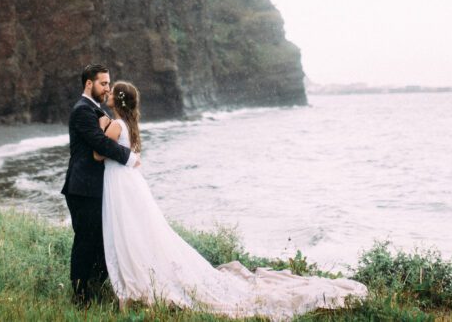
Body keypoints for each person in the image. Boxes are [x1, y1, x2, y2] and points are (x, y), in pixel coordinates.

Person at [95, 80, 368, 320]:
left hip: (121, 184)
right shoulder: (129, 124)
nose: (106, 94)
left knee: (128, 232)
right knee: (138, 231)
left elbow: (98, 155)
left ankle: (134, 285)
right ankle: (138, 282)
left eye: (110, 92)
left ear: (116, 99)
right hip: (129, 183)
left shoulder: (115, 125)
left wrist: (101, 125)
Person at [60, 64, 139, 305]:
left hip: (95, 188)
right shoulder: (82, 110)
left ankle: (95, 288)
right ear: (89, 84)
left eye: (108, 84)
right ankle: (80, 296)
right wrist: (130, 157)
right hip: (82, 188)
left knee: (101, 241)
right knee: (85, 241)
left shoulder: (95, 110)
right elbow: (99, 144)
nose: (107, 88)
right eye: (103, 83)